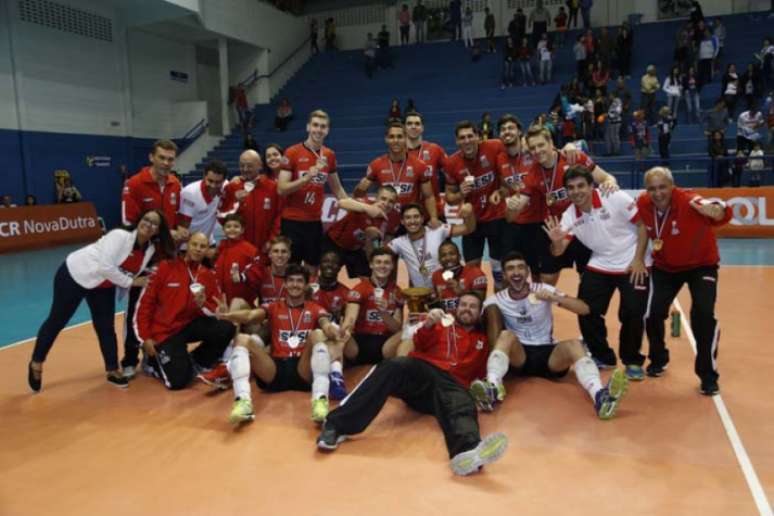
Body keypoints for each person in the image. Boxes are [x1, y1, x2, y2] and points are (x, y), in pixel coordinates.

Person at [316, 292, 509, 478]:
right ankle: (336, 426)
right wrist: (429, 324)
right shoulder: (442, 325)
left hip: (452, 387)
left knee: (463, 405)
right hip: (423, 374)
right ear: (456, 308)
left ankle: (468, 453)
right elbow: (419, 341)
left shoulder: (483, 341)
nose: (467, 309)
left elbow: (484, 375)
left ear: (479, 312)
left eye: (473, 307)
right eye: (464, 305)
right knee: (393, 366)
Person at [28, 210, 174, 392]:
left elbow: (139, 269)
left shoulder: (150, 249)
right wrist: (131, 282)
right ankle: (37, 362)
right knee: (57, 321)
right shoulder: (120, 236)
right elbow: (106, 266)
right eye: (146, 219)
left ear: (158, 230)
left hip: (103, 286)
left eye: (154, 223)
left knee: (105, 327)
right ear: (139, 220)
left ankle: (112, 370)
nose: (148, 224)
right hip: (75, 274)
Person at [471, 252, 628, 418]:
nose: (516, 272)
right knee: (506, 336)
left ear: (528, 272)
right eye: (510, 269)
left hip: (549, 354)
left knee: (575, 344)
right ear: (503, 275)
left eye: (520, 267)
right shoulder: (495, 300)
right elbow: (473, 323)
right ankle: (492, 387)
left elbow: (584, 309)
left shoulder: (543, 290)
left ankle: (600, 395)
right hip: (521, 355)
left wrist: (554, 298)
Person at [544, 166, 650, 377]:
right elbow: (559, 251)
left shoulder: (615, 197)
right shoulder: (569, 215)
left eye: (581, 185)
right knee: (585, 309)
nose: (577, 191)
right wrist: (556, 242)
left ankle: (632, 360)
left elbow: (642, 226)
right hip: (601, 262)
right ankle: (603, 355)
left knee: (632, 311)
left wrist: (639, 259)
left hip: (632, 260)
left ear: (591, 185)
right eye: (571, 188)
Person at [635, 167, 731, 395]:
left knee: (703, 315)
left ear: (672, 186)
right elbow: (643, 230)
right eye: (652, 188)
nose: (657, 193)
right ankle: (659, 358)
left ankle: (708, 374)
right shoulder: (643, 203)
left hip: (701, 265)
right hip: (666, 267)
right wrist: (638, 258)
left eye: (662, 187)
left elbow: (719, 211)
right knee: (652, 313)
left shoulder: (689, 200)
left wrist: (717, 209)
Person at [217, 263, 342, 424]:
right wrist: (229, 314)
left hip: (302, 369)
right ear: (284, 284)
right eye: (291, 280)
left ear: (306, 285)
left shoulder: (315, 308)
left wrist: (333, 331)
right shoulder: (273, 307)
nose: (294, 285)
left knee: (316, 334)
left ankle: (320, 401)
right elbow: (249, 316)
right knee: (242, 339)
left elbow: (325, 325)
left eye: (299, 281)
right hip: (275, 369)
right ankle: (243, 402)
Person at [135, 232, 235, 390]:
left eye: (203, 246)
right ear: (187, 246)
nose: (198, 249)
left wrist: (205, 306)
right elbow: (145, 305)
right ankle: (152, 362)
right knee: (178, 382)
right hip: (165, 332)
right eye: (194, 244)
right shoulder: (165, 268)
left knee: (226, 327)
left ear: (208, 250)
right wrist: (145, 338)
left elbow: (214, 310)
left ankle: (195, 361)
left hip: (188, 325)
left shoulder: (208, 275)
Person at [120, 139, 186, 376]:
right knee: (136, 309)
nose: (166, 163)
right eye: (162, 158)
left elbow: (176, 218)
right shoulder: (135, 184)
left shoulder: (175, 184)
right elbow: (129, 222)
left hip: (166, 259)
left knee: (162, 309)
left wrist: (179, 231)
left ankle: (152, 357)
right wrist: (165, 233)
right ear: (151, 157)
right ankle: (129, 359)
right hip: (141, 260)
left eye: (170, 159)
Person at [522, 125, 617, 285]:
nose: (537, 151)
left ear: (550, 142)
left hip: (585, 225)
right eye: (533, 148)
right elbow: (523, 200)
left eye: (540, 145)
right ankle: (543, 310)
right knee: (547, 278)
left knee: (588, 277)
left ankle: (587, 309)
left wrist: (610, 184)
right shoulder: (532, 172)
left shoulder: (573, 157)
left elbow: (605, 177)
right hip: (557, 229)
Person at [278, 110, 349, 275]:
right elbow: (281, 189)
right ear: (308, 127)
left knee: (312, 267)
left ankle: (309, 300)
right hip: (292, 221)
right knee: (291, 269)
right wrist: (305, 178)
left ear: (327, 130)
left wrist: (356, 208)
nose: (318, 129)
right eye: (315, 125)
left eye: (323, 126)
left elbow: (337, 189)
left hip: (314, 222)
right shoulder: (292, 152)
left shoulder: (329, 155)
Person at [443, 121, 509, 284]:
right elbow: (449, 199)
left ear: (478, 137)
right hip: (472, 223)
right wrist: (460, 193)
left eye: (470, 136)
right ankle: (476, 306)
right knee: (472, 271)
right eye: (462, 138)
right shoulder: (452, 163)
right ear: (457, 141)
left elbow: (519, 149)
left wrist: (499, 192)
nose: (466, 141)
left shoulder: (495, 147)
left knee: (499, 271)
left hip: (497, 218)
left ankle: (500, 306)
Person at [354, 121, 439, 226]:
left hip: (409, 221)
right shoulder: (376, 164)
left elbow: (429, 196)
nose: (396, 140)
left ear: (406, 139)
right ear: (386, 139)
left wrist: (434, 218)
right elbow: (358, 195)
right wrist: (366, 201)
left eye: (400, 137)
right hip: (385, 220)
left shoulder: (419, 165)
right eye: (392, 137)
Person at [340, 247, 404, 365]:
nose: (382, 266)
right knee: (338, 332)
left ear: (392, 266)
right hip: (361, 343)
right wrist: (346, 328)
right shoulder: (360, 289)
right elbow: (350, 318)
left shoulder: (396, 291)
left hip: (385, 346)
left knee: (408, 331)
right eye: (378, 262)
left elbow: (396, 329)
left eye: (387, 263)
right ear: (371, 265)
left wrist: (383, 313)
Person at [387, 203, 475, 289]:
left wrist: (470, 214)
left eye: (416, 217)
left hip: (444, 290)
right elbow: (379, 254)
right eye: (408, 218)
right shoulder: (399, 243)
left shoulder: (437, 230)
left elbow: (468, 228)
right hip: (421, 295)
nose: (412, 221)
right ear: (402, 221)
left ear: (422, 219)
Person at [219, 150, 280, 260]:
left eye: (249, 166)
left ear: (260, 165)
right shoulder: (232, 187)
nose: (245, 169)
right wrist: (235, 202)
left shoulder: (272, 187)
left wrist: (272, 240)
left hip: (265, 248)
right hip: (238, 247)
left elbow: (279, 216)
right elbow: (221, 217)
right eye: (242, 166)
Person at [178, 160, 227, 245]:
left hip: (208, 242)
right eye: (210, 181)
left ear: (223, 181)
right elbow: (182, 229)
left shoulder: (226, 187)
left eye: (217, 182)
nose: (213, 186)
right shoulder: (190, 193)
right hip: (188, 245)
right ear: (204, 176)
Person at [405, 112, 448, 211]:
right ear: (404, 128)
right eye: (409, 123)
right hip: (408, 214)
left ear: (422, 128)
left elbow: (453, 170)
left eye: (417, 124)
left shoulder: (435, 149)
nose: (413, 126)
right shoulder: (398, 153)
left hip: (434, 211)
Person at [432, 240, 487, 313]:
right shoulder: (436, 276)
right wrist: (433, 298)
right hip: (446, 320)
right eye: (443, 255)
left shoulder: (475, 273)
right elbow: (436, 304)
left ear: (459, 256)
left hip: (468, 319)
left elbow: (479, 303)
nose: (448, 258)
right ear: (439, 260)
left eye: (452, 254)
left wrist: (461, 292)